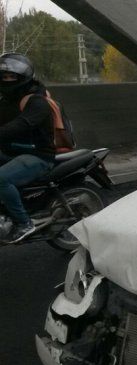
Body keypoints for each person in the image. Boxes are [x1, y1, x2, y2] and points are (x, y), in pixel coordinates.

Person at [0, 53, 55, 243]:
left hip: (38, 155)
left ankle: (24, 223)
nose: (7, 80)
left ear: (23, 77)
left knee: (0, 179)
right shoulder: (6, 101)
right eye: (4, 76)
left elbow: (21, 125)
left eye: (11, 77)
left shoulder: (37, 101)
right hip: (13, 152)